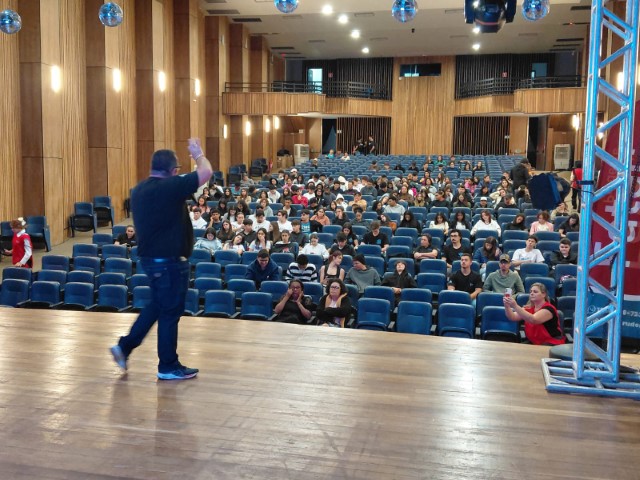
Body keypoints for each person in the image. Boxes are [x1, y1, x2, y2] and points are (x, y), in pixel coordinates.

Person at [110, 139, 212, 380]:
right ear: (174, 170)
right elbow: (206, 172)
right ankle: (168, 366)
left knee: (158, 305)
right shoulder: (171, 186)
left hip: (150, 260)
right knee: (170, 313)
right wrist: (198, 154)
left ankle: (124, 347)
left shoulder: (138, 190)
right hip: (170, 263)